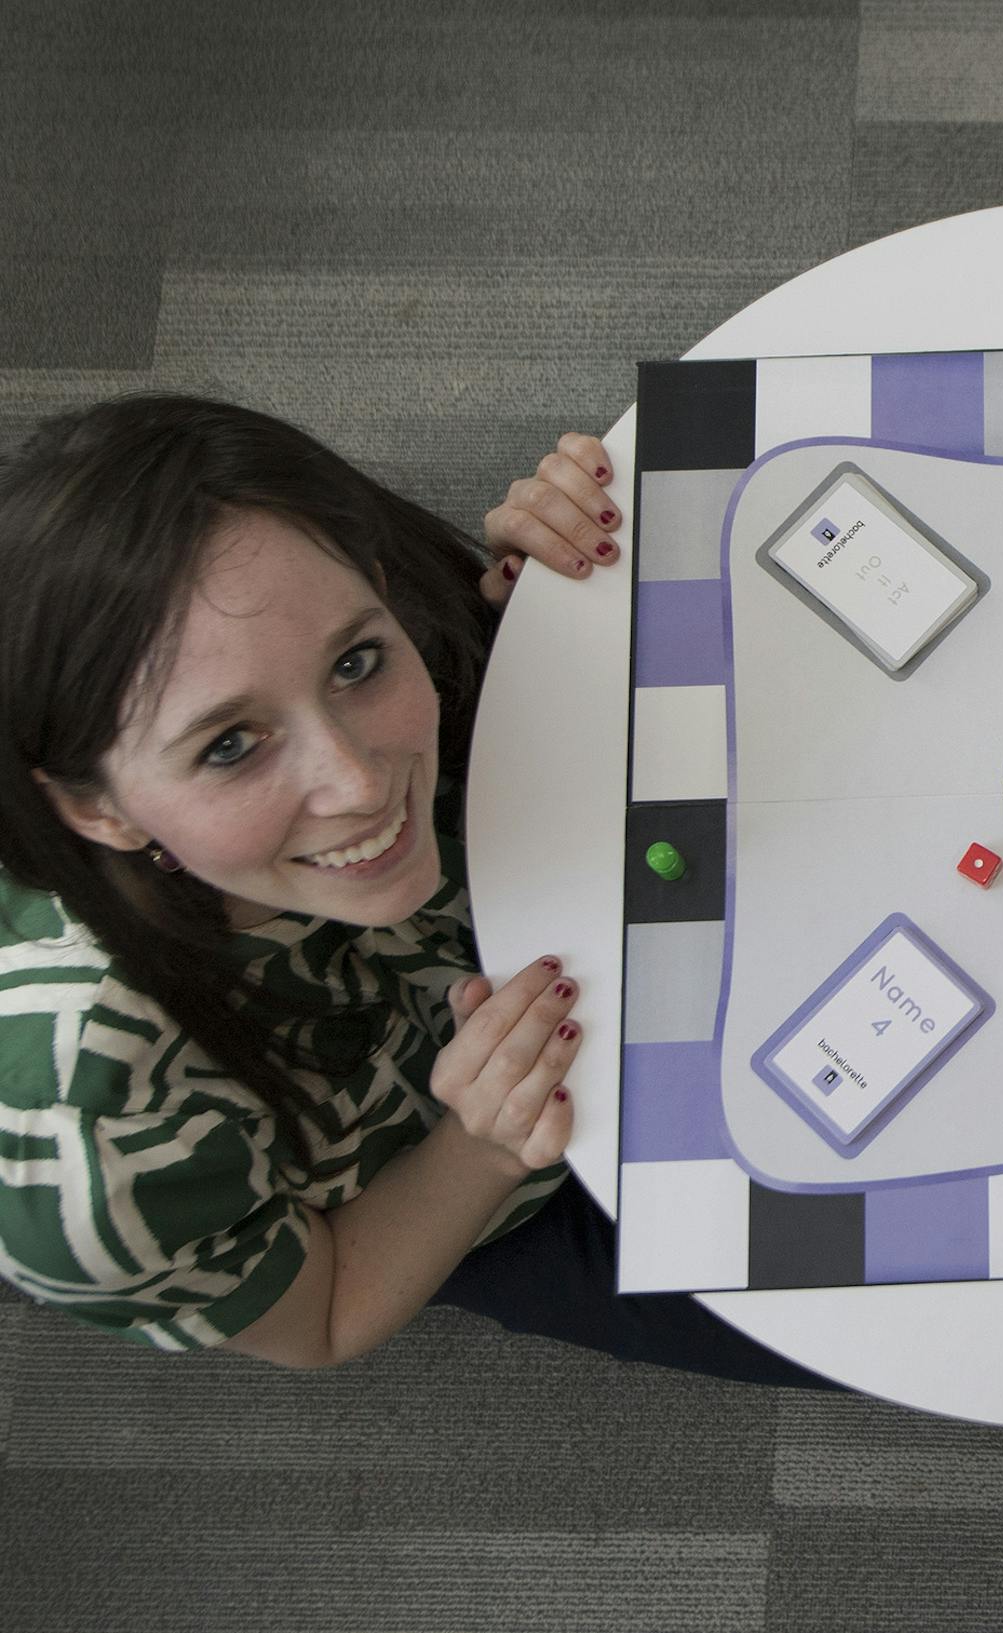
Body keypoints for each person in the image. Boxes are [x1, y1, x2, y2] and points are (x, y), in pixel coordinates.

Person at [0, 396, 827, 1384]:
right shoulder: (90, 1140)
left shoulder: (371, 631)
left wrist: (547, 610)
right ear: (96, 809)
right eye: (229, 746)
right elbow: (322, 1316)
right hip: (457, 1187)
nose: (358, 782)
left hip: (545, 932)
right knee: (855, 1298)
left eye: (356, 662)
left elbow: (479, 689)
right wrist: (482, 1147)